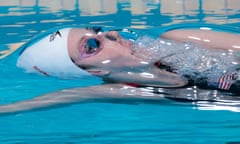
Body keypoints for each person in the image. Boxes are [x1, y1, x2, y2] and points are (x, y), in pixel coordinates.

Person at [1, 24, 240, 115]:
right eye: (93, 45)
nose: (112, 34)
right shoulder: (128, 89)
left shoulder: (179, 40)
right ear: (95, 72)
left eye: (97, 30)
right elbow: (56, 98)